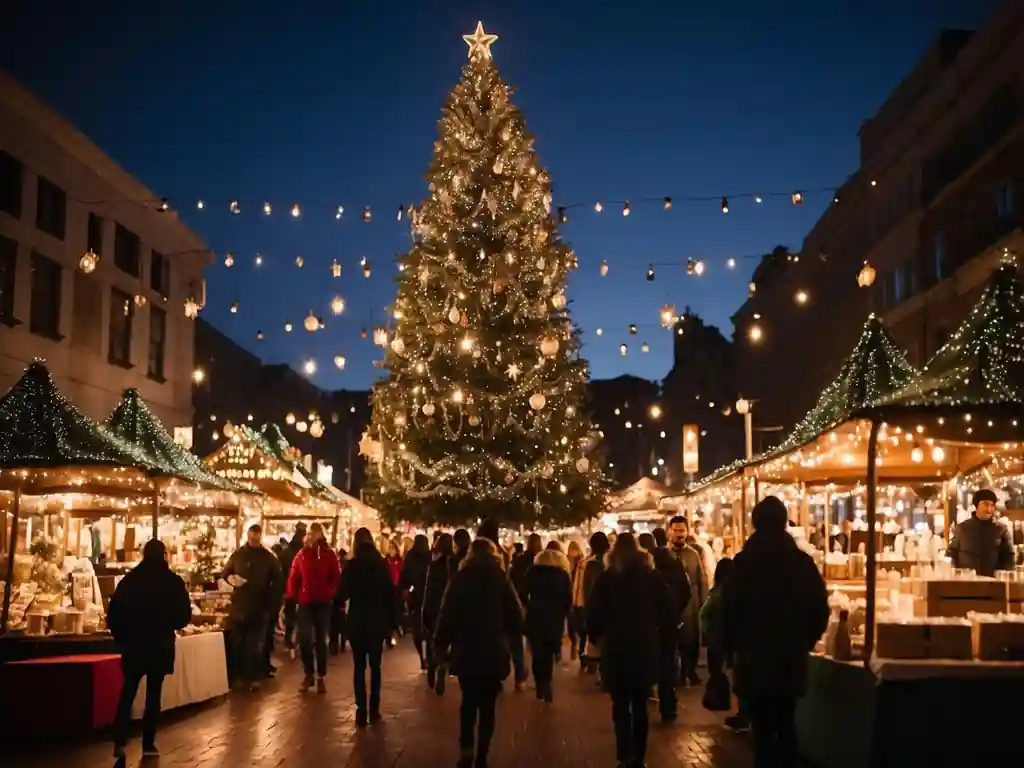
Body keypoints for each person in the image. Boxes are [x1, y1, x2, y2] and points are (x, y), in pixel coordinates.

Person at [724, 496, 829, 768]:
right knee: (786, 723)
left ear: (755, 523)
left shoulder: (743, 563)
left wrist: (731, 647)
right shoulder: (802, 563)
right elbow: (820, 609)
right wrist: (806, 640)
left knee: (762, 731)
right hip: (789, 657)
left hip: (752, 658)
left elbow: (729, 610)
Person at [435, 537, 524, 768]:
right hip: (494, 648)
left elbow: (447, 614)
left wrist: (441, 645)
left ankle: (466, 750)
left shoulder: (460, 579)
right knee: (488, 706)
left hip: (466, 649)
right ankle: (482, 753)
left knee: (468, 702)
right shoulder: (501, 579)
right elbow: (516, 614)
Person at [586, 533, 674, 768]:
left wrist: (598, 637)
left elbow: (593, 613)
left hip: (616, 647)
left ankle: (624, 754)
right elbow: (667, 608)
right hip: (644, 645)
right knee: (640, 704)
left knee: (620, 704)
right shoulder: (651, 576)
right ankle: (639, 756)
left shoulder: (607, 578)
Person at [108, 540, 191, 763]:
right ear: (164, 555)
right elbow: (184, 616)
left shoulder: (130, 580)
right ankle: (149, 742)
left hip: (134, 644)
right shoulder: (172, 582)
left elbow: (114, 614)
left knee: (128, 691)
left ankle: (119, 739)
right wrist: (167, 624)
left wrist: (122, 638)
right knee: (153, 695)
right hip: (160, 644)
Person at [339, 527, 397, 726]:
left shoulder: (351, 566)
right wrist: (392, 624)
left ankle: (361, 709)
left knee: (359, 667)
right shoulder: (381, 565)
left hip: (357, 621)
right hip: (377, 621)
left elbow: (341, 594)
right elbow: (391, 595)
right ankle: (375, 708)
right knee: (375, 666)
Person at [223, 524, 281, 690]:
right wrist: (231, 580)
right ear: (248, 536)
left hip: (258, 607)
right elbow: (225, 573)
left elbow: (277, 581)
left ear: (260, 536)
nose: (254, 538)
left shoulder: (268, 557)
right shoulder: (238, 554)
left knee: (254, 646)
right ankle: (240, 677)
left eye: (256, 535)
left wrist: (271, 604)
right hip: (240, 607)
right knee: (238, 644)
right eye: (252, 535)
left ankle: (252, 678)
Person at [286, 522, 341, 693]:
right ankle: (308, 673)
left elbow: (335, 576)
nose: (310, 536)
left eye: (313, 533)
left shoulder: (328, 554)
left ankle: (320, 675)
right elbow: (294, 577)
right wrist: (293, 595)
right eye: (309, 533)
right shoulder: (302, 555)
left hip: (323, 603)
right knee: (305, 639)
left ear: (320, 535)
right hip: (305, 602)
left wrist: (329, 593)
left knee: (320, 641)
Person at [700, 557, 748, 729]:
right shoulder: (737, 591)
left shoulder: (721, 591)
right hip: (736, 638)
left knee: (736, 675)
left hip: (724, 638)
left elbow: (705, 613)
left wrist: (709, 633)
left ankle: (742, 713)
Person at [650, 526, 691, 723]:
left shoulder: (649, 571)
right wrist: (677, 611)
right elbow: (687, 591)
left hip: (652, 623)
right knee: (668, 662)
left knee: (653, 661)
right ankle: (669, 706)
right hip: (671, 622)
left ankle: (650, 696)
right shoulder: (676, 567)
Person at [523, 546, 572, 702]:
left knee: (537, 651)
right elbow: (568, 598)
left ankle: (540, 683)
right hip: (555, 615)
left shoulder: (532, 572)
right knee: (549, 651)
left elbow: (522, 592)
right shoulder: (562, 575)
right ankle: (547, 681)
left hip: (535, 614)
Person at [668, 515, 708, 685]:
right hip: (671, 604)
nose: (679, 534)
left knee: (691, 640)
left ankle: (689, 671)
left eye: (682, 530)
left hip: (691, 605)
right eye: (676, 530)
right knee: (673, 641)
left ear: (687, 531)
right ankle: (676, 674)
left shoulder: (693, 555)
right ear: (670, 531)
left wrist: (703, 603)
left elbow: (702, 580)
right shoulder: (665, 555)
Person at [947, 488, 1014, 577]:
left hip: (993, 583)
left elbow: (1008, 556)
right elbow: (951, 553)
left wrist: (1005, 578)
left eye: (992, 505)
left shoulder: (1000, 529)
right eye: (986, 504)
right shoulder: (962, 528)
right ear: (976, 505)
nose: (989, 509)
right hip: (966, 582)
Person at [422, 532, 457, 688]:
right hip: (449, 607)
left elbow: (428, 591)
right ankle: (443, 664)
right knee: (447, 639)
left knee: (433, 639)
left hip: (434, 605)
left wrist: (424, 611)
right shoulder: (456, 566)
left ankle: (432, 665)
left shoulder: (434, 566)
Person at [573, 531, 610, 671]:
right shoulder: (611, 561)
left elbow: (582, 585)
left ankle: (590, 661)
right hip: (607, 604)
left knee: (588, 633)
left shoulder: (587, 563)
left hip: (588, 603)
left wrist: (577, 602)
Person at [401, 534, 432, 670]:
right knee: (428, 628)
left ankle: (422, 657)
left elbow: (405, 576)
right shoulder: (430, 556)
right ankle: (428, 658)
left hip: (415, 597)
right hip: (427, 596)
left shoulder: (410, 557)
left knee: (417, 629)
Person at [278, 522, 307, 657]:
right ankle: (298, 642)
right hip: (303, 589)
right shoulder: (305, 551)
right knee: (302, 616)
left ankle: (289, 641)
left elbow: (281, 572)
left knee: (290, 616)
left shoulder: (287, 552)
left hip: (290, 588)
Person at [565, 539, 585, 660]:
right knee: (572, 624)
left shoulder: (582, 563)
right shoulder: (566, 561)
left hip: (577, 597)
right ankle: (575, 644)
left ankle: (579, 648)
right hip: (570, 596)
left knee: (579, 625)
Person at [329, 547, 349, 655]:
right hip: (340, 597)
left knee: (334, 621)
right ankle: (341, 641)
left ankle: (334, 643)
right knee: (340, 620)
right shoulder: (345, 566)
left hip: (334, 596)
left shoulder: (337, 565)